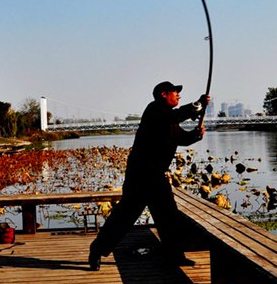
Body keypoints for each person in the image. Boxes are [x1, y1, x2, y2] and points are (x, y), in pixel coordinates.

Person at [88, 81, 210, 271]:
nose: (178, 95)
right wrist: (198, 105)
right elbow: (176, 115)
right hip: (140, 173)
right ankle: (96, 250)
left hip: (156, 174)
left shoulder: (170, 120)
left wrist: (196, 134)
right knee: (124, 217)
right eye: (175, 92)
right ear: (163, 94)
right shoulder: (155, 110)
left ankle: (175, 255)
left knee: (168, 215)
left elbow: (182, 138)